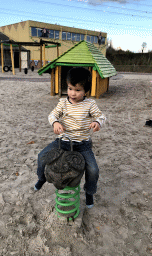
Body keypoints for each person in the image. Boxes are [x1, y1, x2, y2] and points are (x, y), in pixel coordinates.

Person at [34, 67, 106, 208]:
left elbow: (101, 116)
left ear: (86, 91)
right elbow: (52, 115)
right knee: (41, 156)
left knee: (93, 170)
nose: (73, 93)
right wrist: (55, 123)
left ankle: (89, 192)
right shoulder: (63, 103)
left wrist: (97, 122)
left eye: (78, 90)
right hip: (63, 141)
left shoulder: (90, 104)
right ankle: (41, 178)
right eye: (70, 88)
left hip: (82, 144)